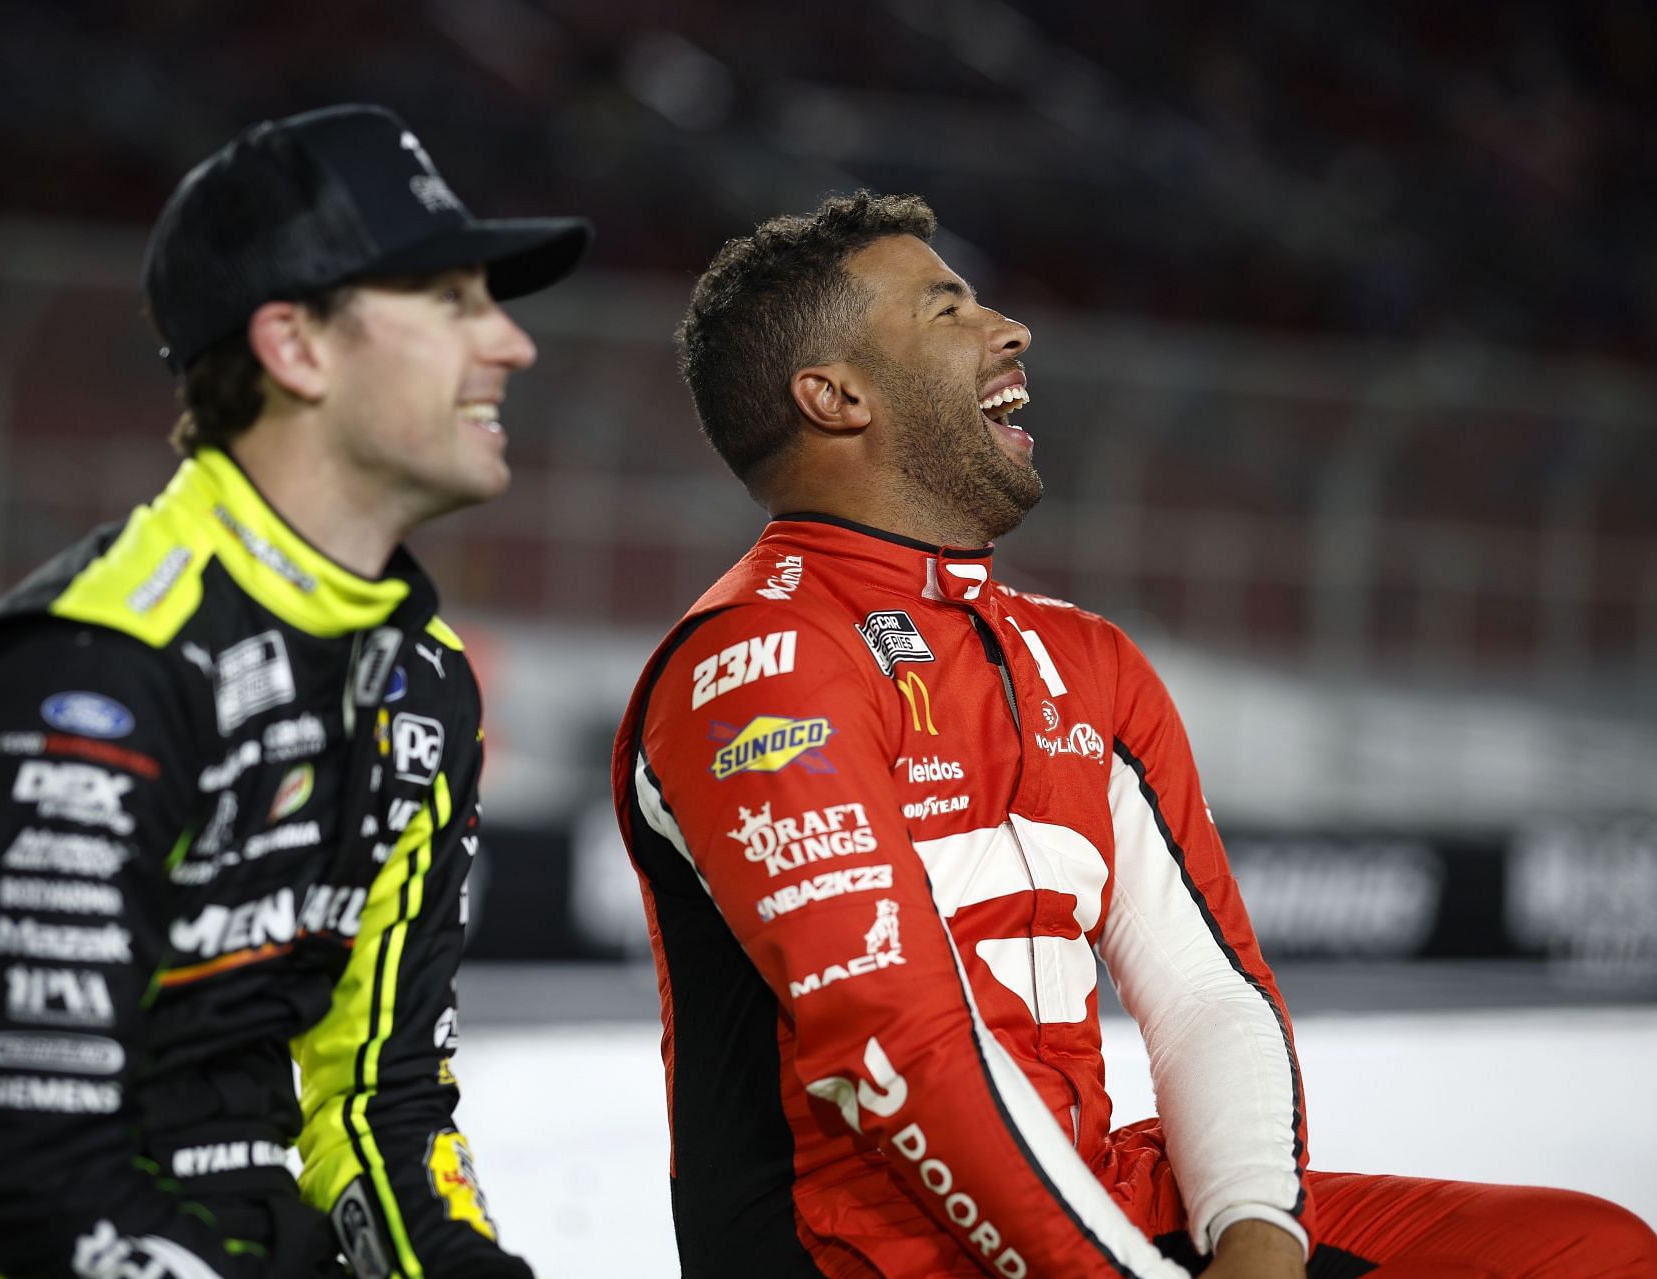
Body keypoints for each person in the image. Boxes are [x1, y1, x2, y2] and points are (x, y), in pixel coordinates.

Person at [610, 192, 1657, 1279]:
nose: (1009, 329)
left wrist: (1256, 1235)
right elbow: (903, 1047)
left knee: (1589, 1251)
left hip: (1101, 1195)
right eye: (945, 309)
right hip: (866, 1248)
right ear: (834, 397)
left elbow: (1207, 991)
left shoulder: (1089, 660)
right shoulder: (758, 663)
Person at [0, 104, 589, 1279]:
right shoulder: (91, 671)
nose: (510, 343)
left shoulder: (419, 681)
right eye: (451, 300)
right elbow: (38, 1181)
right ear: (295, 347)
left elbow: (377, 1110)